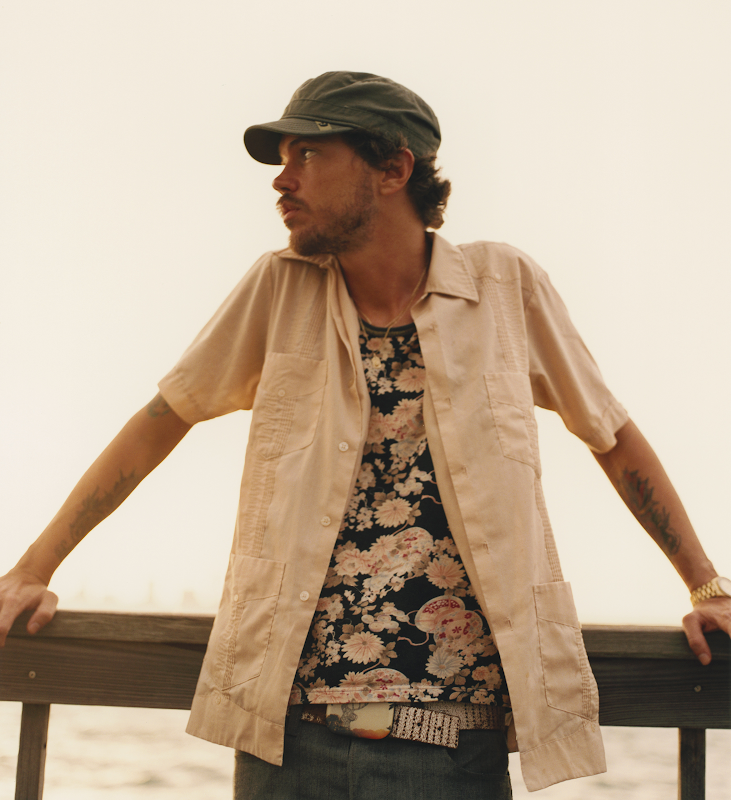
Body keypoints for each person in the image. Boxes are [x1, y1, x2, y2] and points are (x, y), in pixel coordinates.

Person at [0, 71, 729, 798]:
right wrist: (34, 568)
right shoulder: (279, 287)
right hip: (284, 740)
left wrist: (706, 586)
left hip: (451, 745)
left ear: (393, 168)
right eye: (282, 159)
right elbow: (161, 421)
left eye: (308, 155)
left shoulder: (503, 288)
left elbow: (610, 435)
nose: (282, 180)